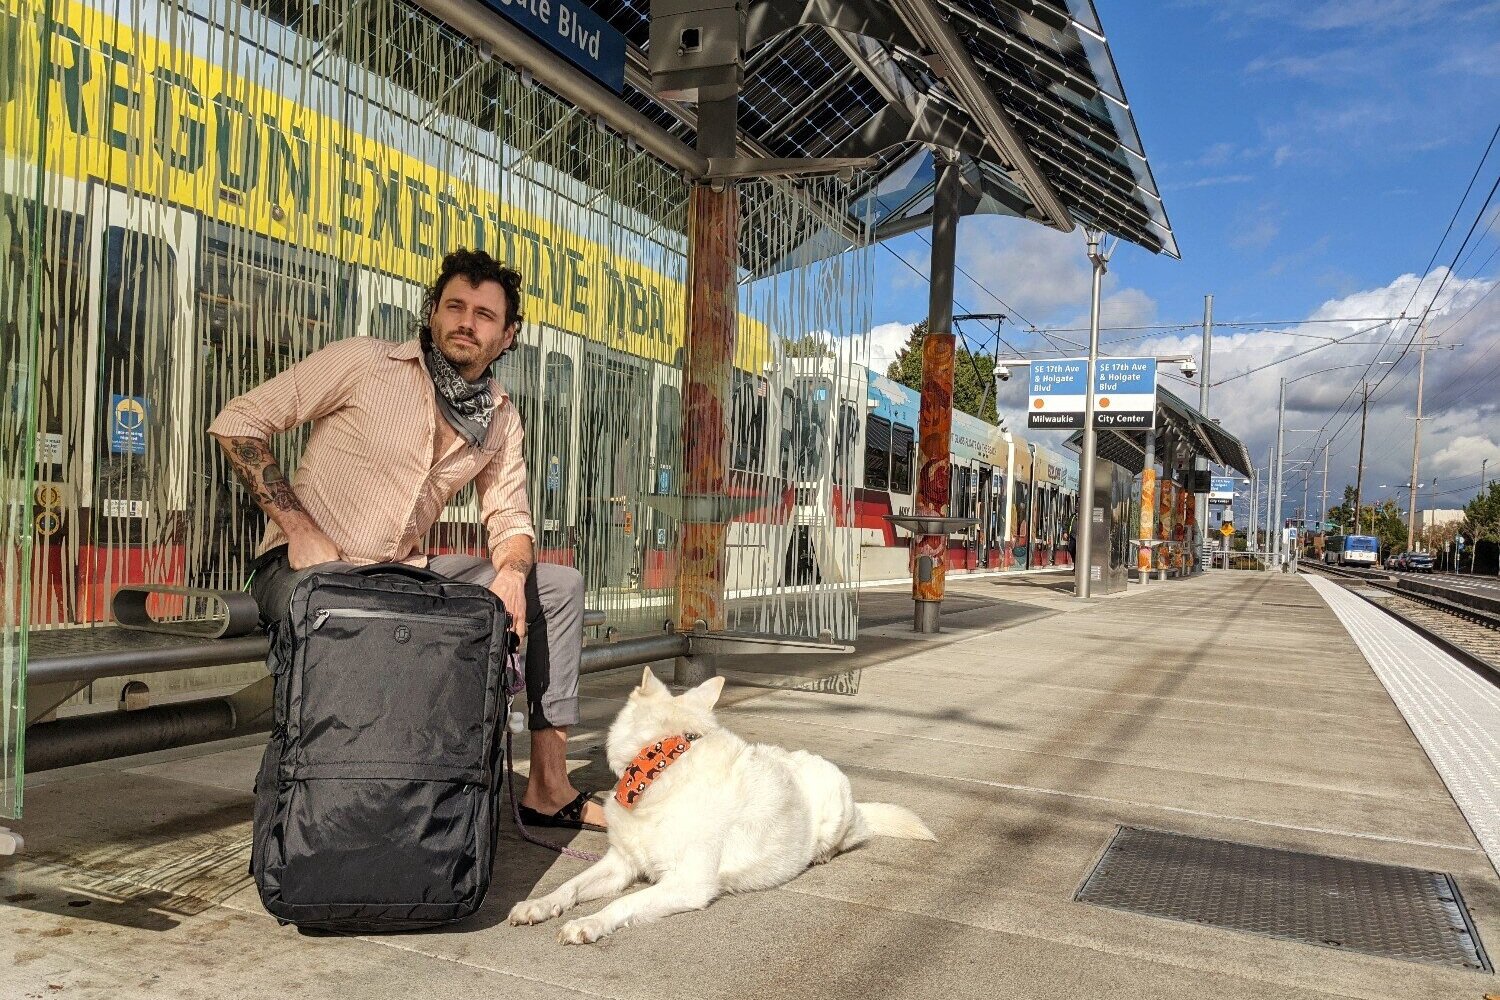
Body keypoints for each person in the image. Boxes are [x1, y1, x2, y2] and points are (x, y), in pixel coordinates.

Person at [208, 248, 605, 831]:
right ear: (432, 311)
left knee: (560, 587)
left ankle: (546, 787)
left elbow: (510, 519)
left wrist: (514, 574)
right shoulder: (364, 362)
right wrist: (300, 528)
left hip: (402, 574)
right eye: (455, 306)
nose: (466, 321)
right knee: (343, 603)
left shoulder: (499, 417)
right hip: (305, 569)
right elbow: (239, 421)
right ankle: (320, 809)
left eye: (485, 314)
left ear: (508, 335)